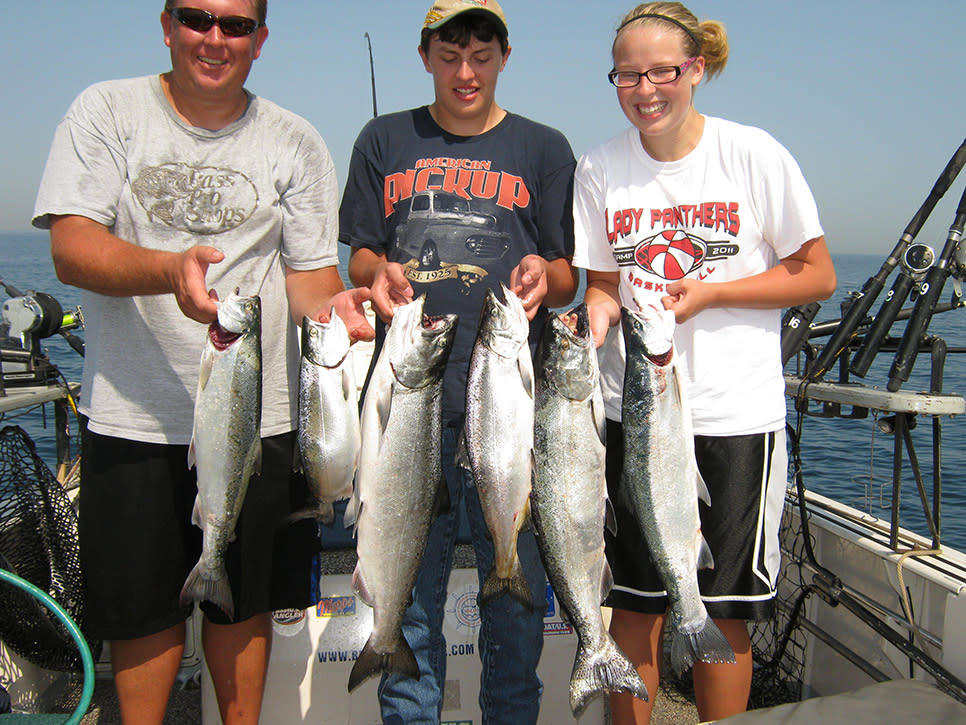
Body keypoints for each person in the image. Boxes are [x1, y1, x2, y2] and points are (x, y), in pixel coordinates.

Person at [31, 2, 372, 723]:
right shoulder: (106, 111)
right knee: (142, 607)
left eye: (236, 24)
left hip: (261, 418)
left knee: (242, 604)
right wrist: (168, 271)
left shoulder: (297, 141)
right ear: (166, 24)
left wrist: (343, 308)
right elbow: (71, 247)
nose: (215, 37)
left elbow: (312, 279)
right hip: (132, 414)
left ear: (261, 39)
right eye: (197, 18)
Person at [572, 3, 837, 723]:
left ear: (695, 69)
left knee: (723, 614)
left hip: (732, 418)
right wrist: (589, 322)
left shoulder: (752, 154)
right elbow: (602, 286)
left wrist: (713, 292)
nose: (644, 88)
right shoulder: (600, 166)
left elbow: (816, 274)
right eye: (627, 74)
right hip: (632, 412)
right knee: (632, 610)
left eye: (662, 70)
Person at [339, 1, 577, 721]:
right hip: (411, 411)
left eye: (480, 55)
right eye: (449, 56)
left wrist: (546, 274)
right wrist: (374, 273)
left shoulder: (543, 147)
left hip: (511, 416)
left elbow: (570, 272)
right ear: (425, 57)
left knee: (513, 614)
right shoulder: (384, 138)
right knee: (408, 599)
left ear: (504, 56)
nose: (465, 71)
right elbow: (359, 249)